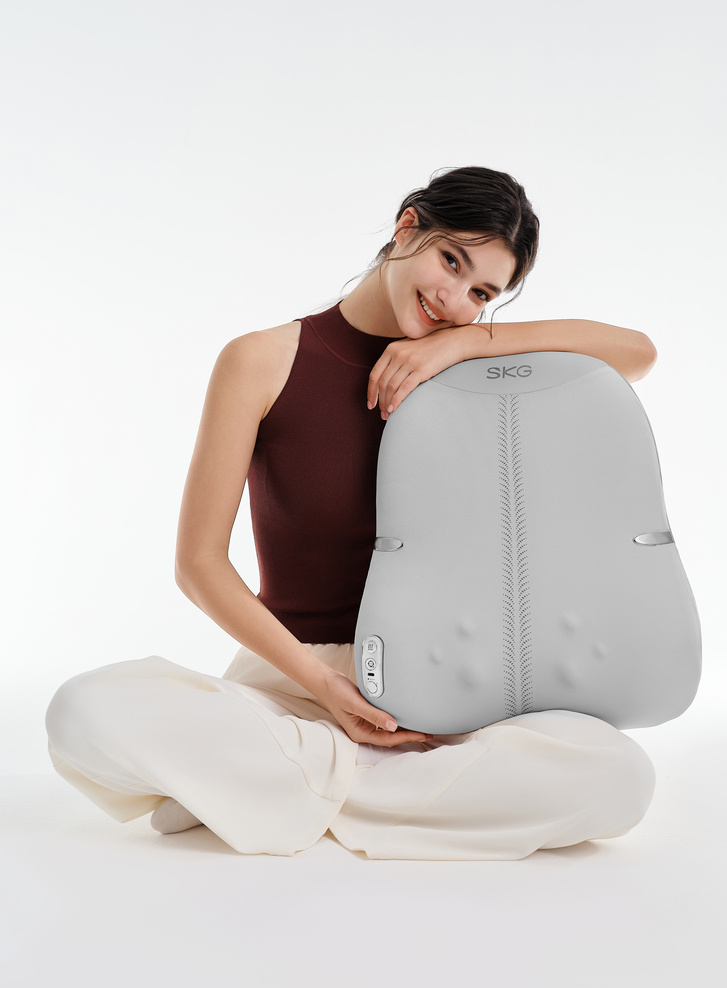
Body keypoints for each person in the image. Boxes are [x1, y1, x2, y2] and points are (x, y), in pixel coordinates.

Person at [45, 166, 657, 860]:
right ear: (407, 226)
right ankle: (371, 785)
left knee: (620, 775)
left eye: (482, 293)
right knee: (83, 710)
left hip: (447, 696)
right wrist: (324, 687)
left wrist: (466, 341)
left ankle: (281, 784)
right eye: (450, 261)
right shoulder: (262, 360)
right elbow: (199, 565)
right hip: (292, 683)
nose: (454, 298)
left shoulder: (475, 370)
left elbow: (636, 354)